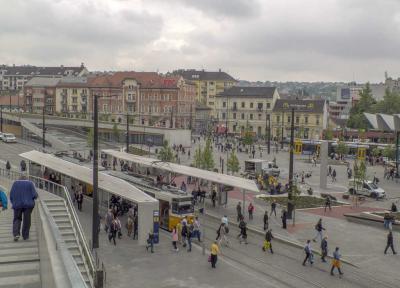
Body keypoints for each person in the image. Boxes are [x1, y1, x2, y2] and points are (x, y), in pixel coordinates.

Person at [10, 177, 38, 241]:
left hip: (17, 204)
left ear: (19, 179)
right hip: (28, 205)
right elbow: (34, 195)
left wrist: (13, 202)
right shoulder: (30, 183)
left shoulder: (15, 184)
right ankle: (25, 236)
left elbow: (11, 195)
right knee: (27, 220)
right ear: (26, 179)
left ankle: (16, 234)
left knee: (17, 218)